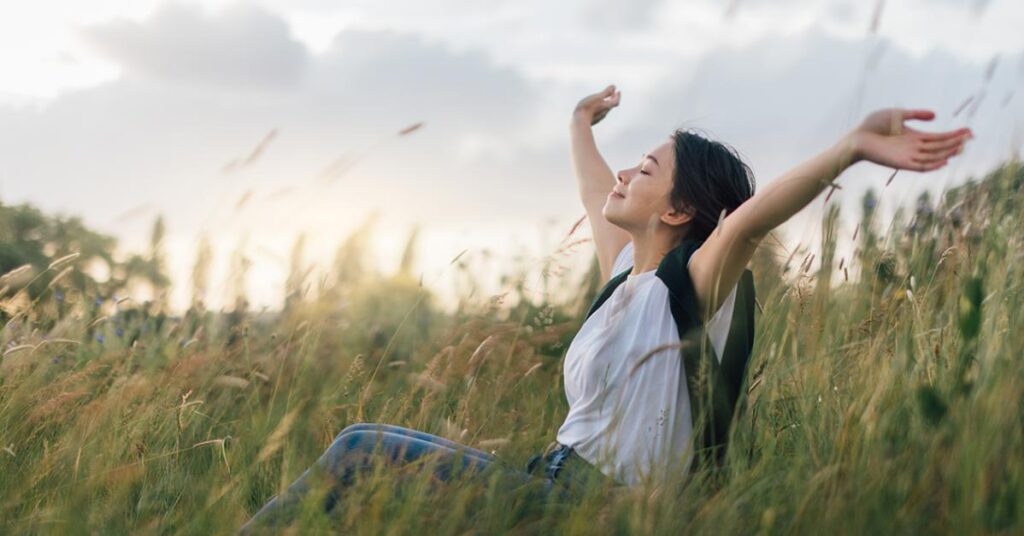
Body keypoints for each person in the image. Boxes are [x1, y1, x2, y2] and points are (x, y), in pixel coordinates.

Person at [240, 84, 973, 531]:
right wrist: (578, 123)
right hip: (546, 485)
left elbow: (750, 219)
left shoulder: (694, 285)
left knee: (360, 452)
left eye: (647, 169)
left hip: (600, 514)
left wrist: (850, 148)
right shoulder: (625, 277)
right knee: (366, 464)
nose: (626, 173)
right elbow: (595, 190)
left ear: (683, 209)